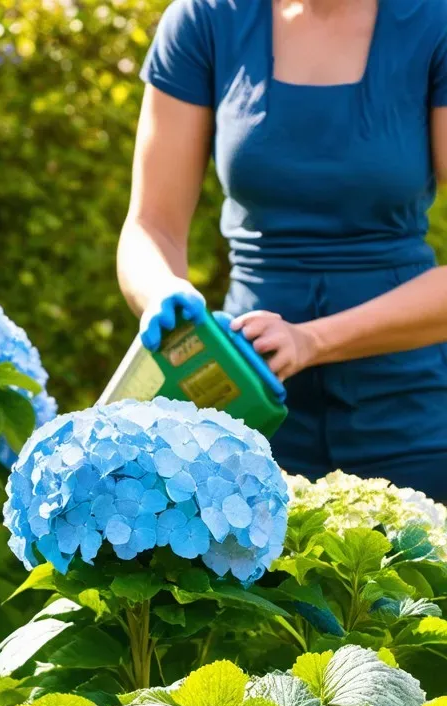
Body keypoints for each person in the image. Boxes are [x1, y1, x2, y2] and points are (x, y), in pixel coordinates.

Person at [117, 0, 447, 497]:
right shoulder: (205, 20)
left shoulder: (433, 24)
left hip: (410, 418)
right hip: (245, 413)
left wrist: (312, 339)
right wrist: (161, 291)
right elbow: (151, 226)